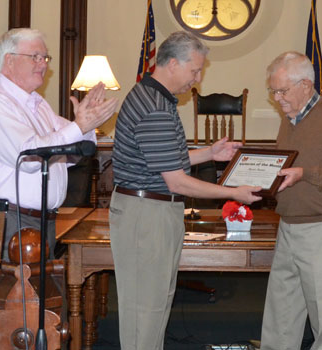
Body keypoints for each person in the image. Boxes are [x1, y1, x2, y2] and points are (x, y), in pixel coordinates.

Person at [110, 31, 262, 349]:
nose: (197, 79)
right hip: (147, 216)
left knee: (152, 308)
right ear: (173, 63)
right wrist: (232, 192)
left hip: (150, 211)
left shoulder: (155, 98)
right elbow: (176, 180)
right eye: (195, 70)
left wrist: (209, 153)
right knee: (144, 312)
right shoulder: (154, 106)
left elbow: (163, 162)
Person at [0, 28, 117, 261]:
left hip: (41, 220)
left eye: (45, 58)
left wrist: (85, 126)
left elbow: (69, 154)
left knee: (40, 295)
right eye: (35, 57)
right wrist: (79, 126)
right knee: (10, 295)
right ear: (9, 60)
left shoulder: (38, 104)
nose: (43, 64)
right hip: (7, 221)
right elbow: (29, 157)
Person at [259, 51, 322, 349]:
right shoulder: (288, 120)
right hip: (289, 226)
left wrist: (305, 173)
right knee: (281, 318)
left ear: (306, 84)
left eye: (282, 90)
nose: (277, 98)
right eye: (273, 91)